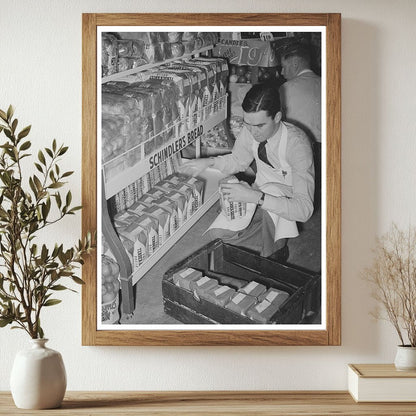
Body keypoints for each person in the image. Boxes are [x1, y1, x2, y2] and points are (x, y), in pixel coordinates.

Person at [180, 83, 315, 260]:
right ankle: (262, 241)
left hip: (283, 202)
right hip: (258, 192)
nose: (252, 132)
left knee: (272, 197)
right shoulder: (251, 128)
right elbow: (237, 160)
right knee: (218, 235)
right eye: (248, 124)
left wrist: (255, 197)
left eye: (259, 126)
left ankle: (275, 252)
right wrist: (209, 161)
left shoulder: (297, 145)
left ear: (277, 117)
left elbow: (304, 210)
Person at [279, 43, 321, 144]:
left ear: (295, 64)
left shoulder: (286, 87)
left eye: (284, 67)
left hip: (300, 146)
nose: (282, 72)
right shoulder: (328, 83)